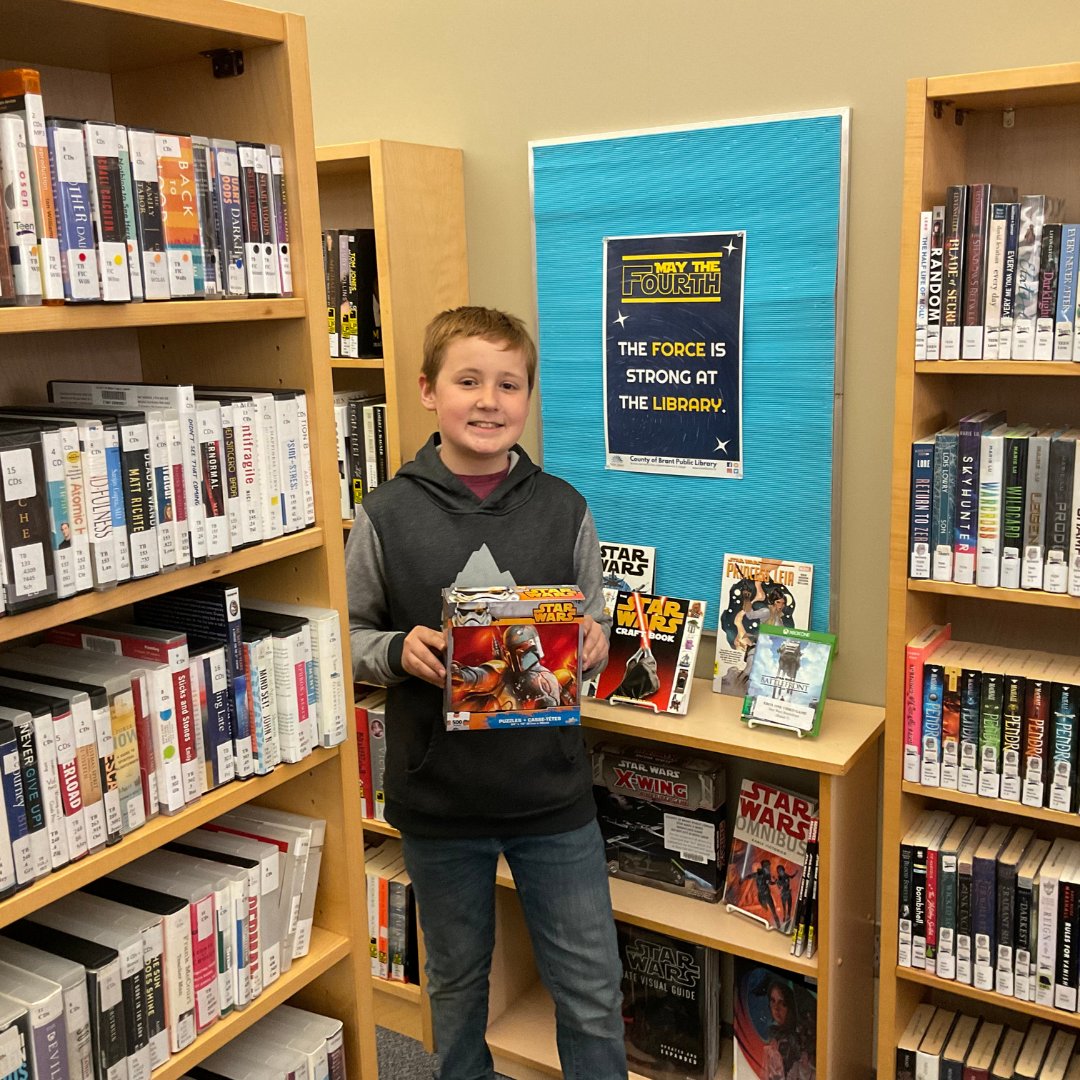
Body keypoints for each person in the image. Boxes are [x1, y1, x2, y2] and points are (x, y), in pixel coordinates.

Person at [346, 306, 627, 1080]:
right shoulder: (385, 514)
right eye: (468, 380)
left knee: (592, 991)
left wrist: (594, 640)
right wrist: (397, 651)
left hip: (552, 795)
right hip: (440, 802)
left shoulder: (565, 507)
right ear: (428, 391)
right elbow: (347, 635)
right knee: (457, 985)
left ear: (528, 398)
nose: (488, 400)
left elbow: (594, 620)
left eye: (509, 385)